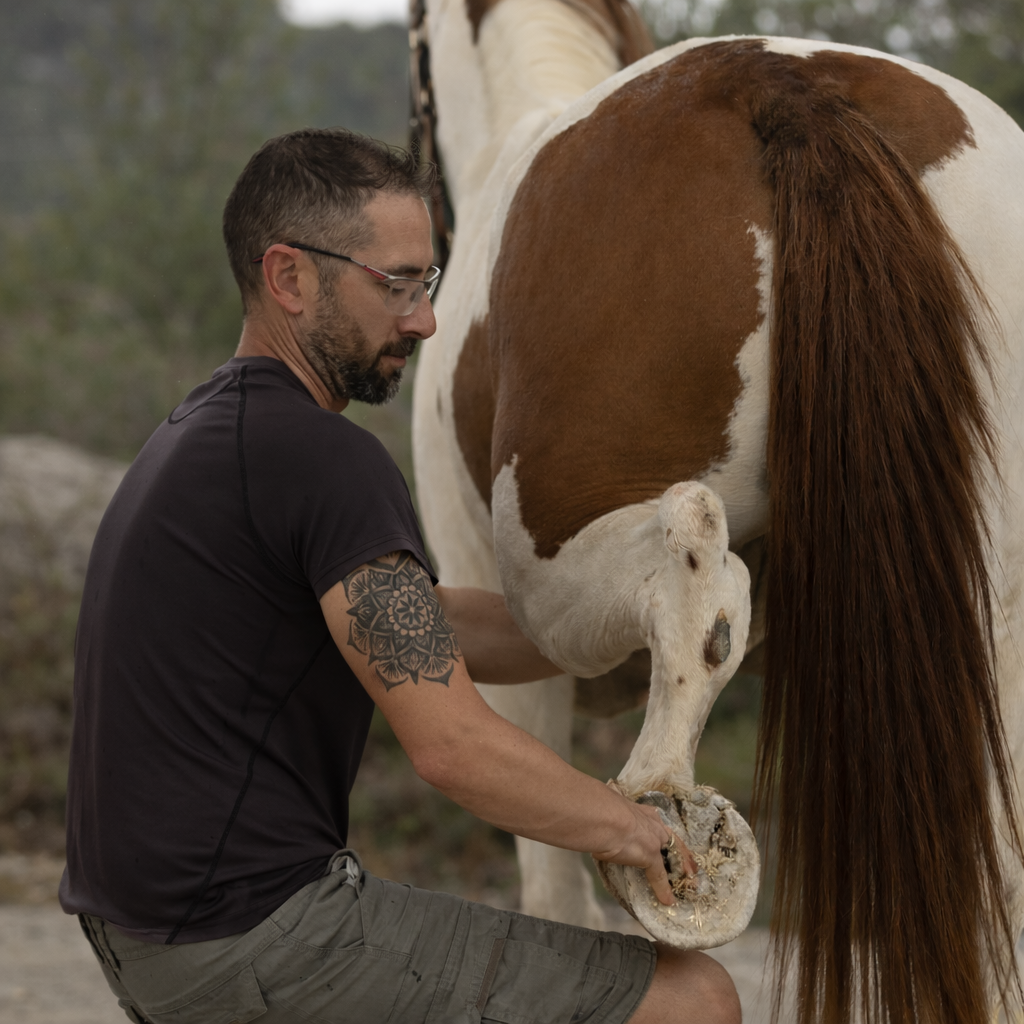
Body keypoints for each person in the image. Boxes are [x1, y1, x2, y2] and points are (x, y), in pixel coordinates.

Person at [59, 128, 740, 1024]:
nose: (422, 320)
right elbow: (453, 747)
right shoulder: (324, 461)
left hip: (152, 939)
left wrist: (626, 632)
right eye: (397, 285)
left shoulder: (201, 433)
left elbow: (415, 628)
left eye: (429, 283)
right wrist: (636, 831)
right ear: (289, 277)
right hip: (255, 942)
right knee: (691, 998)